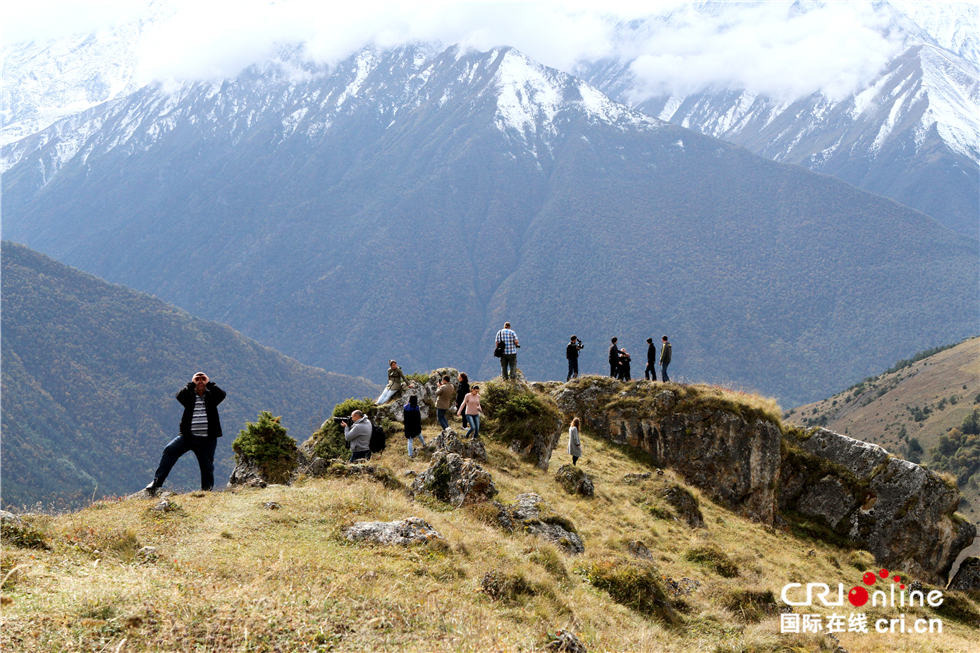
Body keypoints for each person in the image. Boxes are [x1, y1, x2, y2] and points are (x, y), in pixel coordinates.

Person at [144, 372, 226, 494]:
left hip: (207, 439)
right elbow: (179, 396)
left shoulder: (212, 397)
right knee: (169, 450)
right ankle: (157, 481)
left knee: (207, 466)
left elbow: (222, 394)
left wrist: (209, 384)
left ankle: (206, 491)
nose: (200, 381)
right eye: (197, 379)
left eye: (203, 379)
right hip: (188, 437)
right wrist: (190, 384)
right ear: (193, 382)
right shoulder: (189, 397)